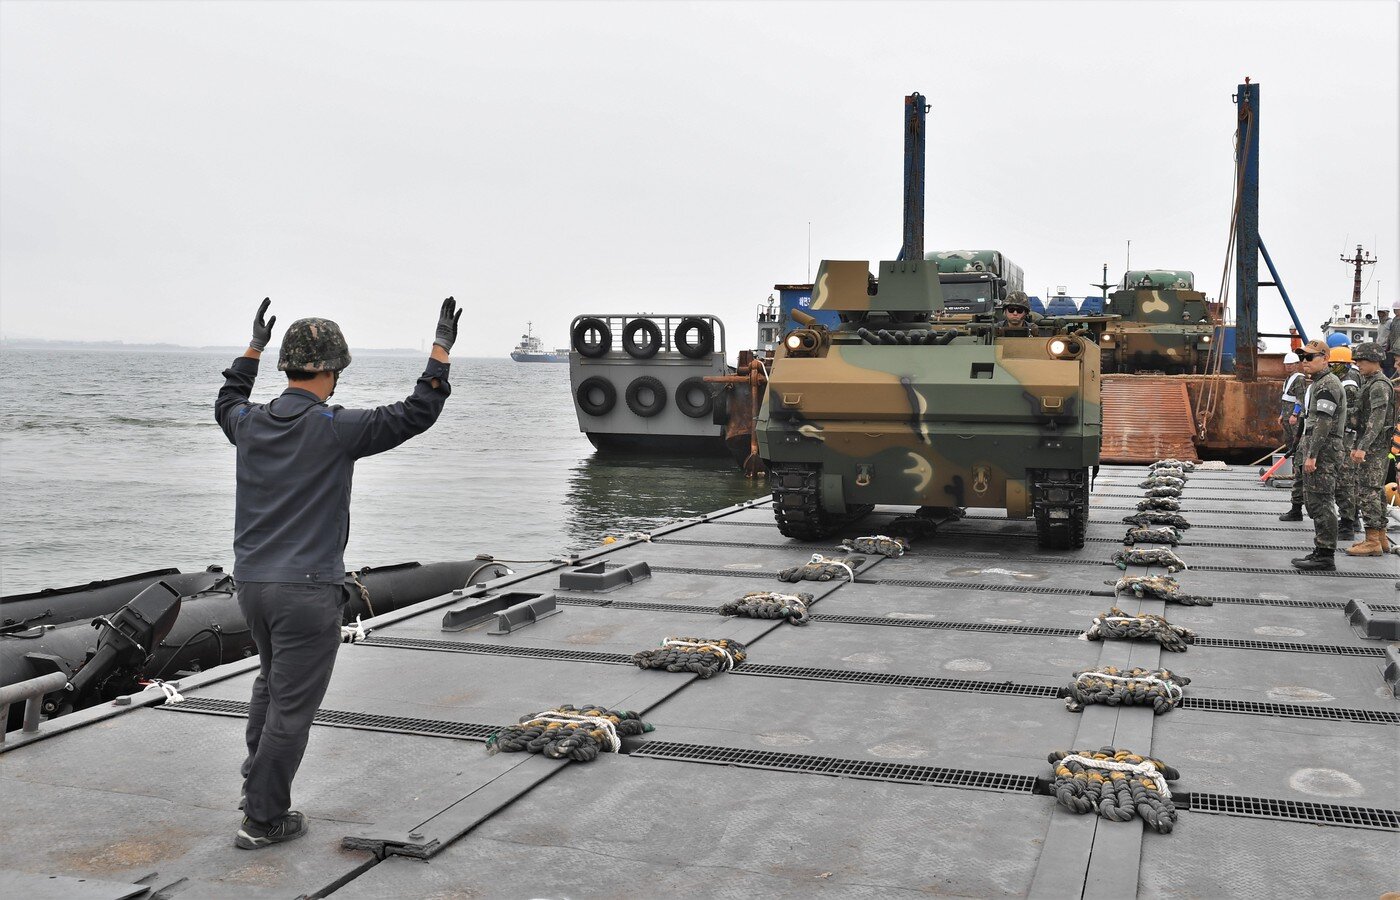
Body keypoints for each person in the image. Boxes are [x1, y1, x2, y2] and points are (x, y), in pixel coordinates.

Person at [215, 297, 461, 849]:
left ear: (287, 367)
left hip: (251, 586)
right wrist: (440, 350)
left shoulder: (250, 425)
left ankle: (257, 785)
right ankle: (263, 818)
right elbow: (418, 411)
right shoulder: (337, 428)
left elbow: (226, 399)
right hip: (306, 592)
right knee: (292, 706)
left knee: (271, 685)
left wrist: (252, 348)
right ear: (333, 370)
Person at [1290, 339, 1347, 571]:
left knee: (1322, 501)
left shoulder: (1327, 385)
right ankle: (1321, 549)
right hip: (1317, 448)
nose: (1305, 362)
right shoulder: (1319, 383)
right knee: (1315, 500)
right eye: (1302, 357)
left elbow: (1324, 422)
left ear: (1325, 358)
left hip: (1323, 451)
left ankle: (1325, 554)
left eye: (1310, 357)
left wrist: (1312, 455)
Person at [1346, 342, 1398, 556]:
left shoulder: (1378, 385)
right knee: (1375, 492)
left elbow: (1376, 420)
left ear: (1373, 361)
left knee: (1368, 491)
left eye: (1361, 361)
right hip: (1372, 445)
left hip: (1374, 448)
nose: (1358, 365)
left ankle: (1372, 540)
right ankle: (1381, 537)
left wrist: (1362, 447)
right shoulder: (1371, 382)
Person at [1328, 345, 1363, 540]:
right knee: (1347, 481)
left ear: (1342, 365)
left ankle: (1349, 524)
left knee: (1345, 481)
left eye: (1334, 363)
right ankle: (1350, 520)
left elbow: (1349, 416)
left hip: (1347, 439)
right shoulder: (1343, 380)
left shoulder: (1348, 385)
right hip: (1345, 437)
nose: (1331, 366)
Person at [1278, 354, 1308, 522]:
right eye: (1286, 364)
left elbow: (1300, 398)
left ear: (1297, 364)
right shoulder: (1288, 379)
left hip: (1294, 415)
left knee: (1296, 445)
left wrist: (1295, 414)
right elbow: (1285, 398)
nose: (1288, 367)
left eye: (1291, 364)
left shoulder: (1299, 379)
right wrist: (1282, 414)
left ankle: (1297, 469)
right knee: (1289, 443)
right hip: (1287, 413)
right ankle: (1294, 469)